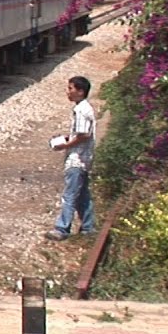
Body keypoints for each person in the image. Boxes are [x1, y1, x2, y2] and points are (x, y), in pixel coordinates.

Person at [45, 76, 97, 240]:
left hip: (77, 158)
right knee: (82, 195)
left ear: (80, 92)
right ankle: (88, 227)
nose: (68, 92)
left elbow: (83, 135)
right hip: (85, 158)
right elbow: (81, 133)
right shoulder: (84, 108)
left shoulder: (81, 110)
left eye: (70, 88)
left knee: (69, 195)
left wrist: (64, 145)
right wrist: (68, 137)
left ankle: (62, 229)